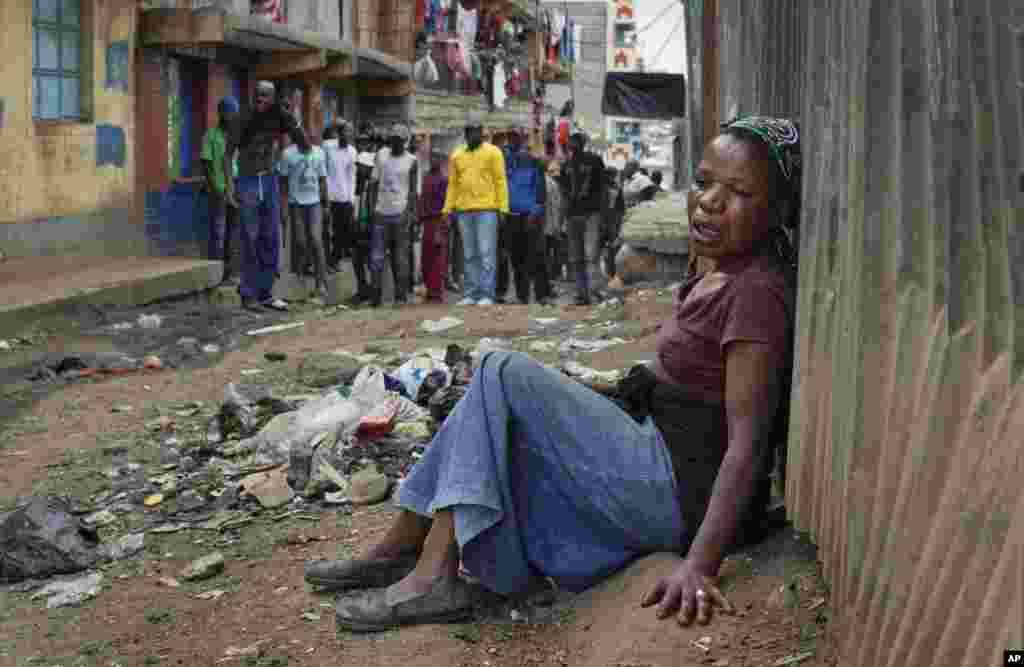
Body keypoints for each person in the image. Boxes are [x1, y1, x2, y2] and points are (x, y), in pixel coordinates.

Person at [307, 115, 802, 632]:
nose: (710, 201)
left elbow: (748, 443)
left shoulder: (755, 295)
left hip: (674, 491)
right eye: (702, 182)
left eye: (738, 192)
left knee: (501, 369)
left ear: (775, 210)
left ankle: (429, 572)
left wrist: (700, 565)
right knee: (488, 405)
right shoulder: (719, 269)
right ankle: (403, 547)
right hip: (654, 454)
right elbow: (685, 382)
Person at [225, 81, 307, 311]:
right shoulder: (242, 120)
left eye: (266, 96)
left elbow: (300, 142)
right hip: (248, 181)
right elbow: (227, 155)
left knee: (270, 237)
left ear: (272, 99)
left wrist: (292, 117)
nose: (261, 98)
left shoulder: (277, 119)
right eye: (258, 94)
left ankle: (265, 292)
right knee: (249, 238)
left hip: (269, 180)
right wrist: (231, 188)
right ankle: (248, 294)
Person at [443, 111, 509, 306]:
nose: (472, 135)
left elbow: (500, 181)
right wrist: (447, 210)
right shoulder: (456, 155)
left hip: (487, 210)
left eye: (476, 131)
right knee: (469, 254)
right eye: (469, 131)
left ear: (481, 132)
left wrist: (503, 208)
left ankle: (487, 294)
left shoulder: (493, 153)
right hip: (463, 211)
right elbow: (453, 185)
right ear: (466, 132)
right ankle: (471, 293)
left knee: (486, 252)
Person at [368, 123, 418, 307]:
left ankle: (400, 296)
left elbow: (413, 191)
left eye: (398, 140)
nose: (394, 142)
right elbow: (373, 184)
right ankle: (375, 298)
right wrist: (372, 209)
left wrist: (410, 213)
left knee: (400, 258)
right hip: (381, 213)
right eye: (393, 139)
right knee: (376, 257)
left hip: (400, 214)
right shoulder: (381, 155)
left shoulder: (412, 161)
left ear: (404, 141)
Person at [277, 128, 330, 298]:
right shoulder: (288, 155)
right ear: (296, 141)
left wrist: (326, 204)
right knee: (300, 242)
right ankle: (299, 278)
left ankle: (320, 283)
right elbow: (283, 183)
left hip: (314, 203)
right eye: (302, 140)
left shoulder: (319, 153)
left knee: (316, 239)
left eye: (309, 139)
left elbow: (322, 180)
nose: (307, 142)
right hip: (296, 204)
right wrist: (283, 208)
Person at [500, 127, 549, 304]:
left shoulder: (534, 164)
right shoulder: (506, 164)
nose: (513, 141)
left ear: (522, 141)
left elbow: (541, 193)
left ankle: (542, 295)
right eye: (510, 137)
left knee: (536, 257)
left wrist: (535, 213)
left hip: (530, 217)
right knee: (517, 258)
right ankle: (522, 296)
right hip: (512, 216)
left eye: (516, 138)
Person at [559, 130, 609, 305]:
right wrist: (562, 218)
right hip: (573, 215)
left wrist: (603, 215)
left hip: (591, 214)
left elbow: (603, 189)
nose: (573, 145)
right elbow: (563, 193)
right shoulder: (565, 165)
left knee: (590, 255)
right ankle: (582, 294)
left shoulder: (595, 161)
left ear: (582, 143)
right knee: (576, 257)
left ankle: (594, 291)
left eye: (575, 141)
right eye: (571, 142)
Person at [202, 96, 239, 285]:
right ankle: (215, 274)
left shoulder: (238, 136)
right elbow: (206, 164)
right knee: (218, 231)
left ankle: (230, 273)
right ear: (221, 114)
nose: (231, 116)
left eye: (233, 112)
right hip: (219, 189)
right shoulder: (211, 135)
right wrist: (215, 188)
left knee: (233, 232)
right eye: (228, 112)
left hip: (237, 188)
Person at [323, 121, 358, 272]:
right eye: (345, 131)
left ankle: (333, 260)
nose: (347, 135)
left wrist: (351, 198)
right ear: (339, 133)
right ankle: (323, 262)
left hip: (344, 197)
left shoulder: (352, 151)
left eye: (350, 132)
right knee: (325, 230)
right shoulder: (327, 147)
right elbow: (321, 170)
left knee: (343, 232)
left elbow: (352, 177)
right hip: (327, 196)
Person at [418, 148, 450, 304]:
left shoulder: (443, 180)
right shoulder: (425, 177)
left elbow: (447, 204)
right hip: (426, 221)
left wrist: (442, 226)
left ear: (442, 160)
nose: (434, 160)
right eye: (432, 157)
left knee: (438, 258)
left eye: (437, 157)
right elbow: (422, 199)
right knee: (426, 258)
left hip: (437, 221)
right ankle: (430, 290)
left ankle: (437, 292)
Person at [543, 161, 565, 293]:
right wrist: (557, 227)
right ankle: (548, 286)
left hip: (545, 226)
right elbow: (555, 208)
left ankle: (547, 285)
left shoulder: (548, 183)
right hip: (549, 227)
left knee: (546, 256)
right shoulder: (551, 184)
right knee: (547, 257)